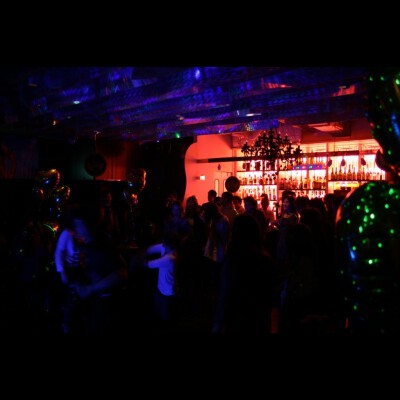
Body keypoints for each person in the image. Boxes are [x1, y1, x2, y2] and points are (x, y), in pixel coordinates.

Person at [212, 214, 275, 335]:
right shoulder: (265, 259)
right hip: (259, 319)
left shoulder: (233, 260)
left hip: (237, 319)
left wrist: (218, 323)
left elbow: (225, 294)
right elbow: (270, 294)